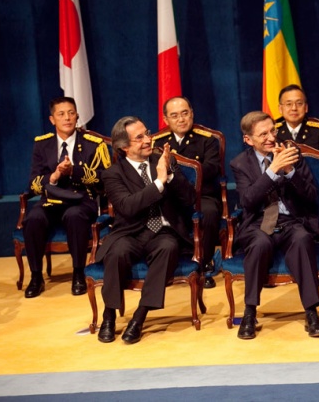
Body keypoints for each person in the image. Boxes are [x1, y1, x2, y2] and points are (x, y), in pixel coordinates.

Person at [95, 116, 196, 344]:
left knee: (169, 247)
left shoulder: (163, 161)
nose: (148, 140)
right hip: (130, 231)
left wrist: (169, 174)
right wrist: (159, 183)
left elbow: (189, 199)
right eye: (139, 137)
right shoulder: (113, 174)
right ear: (124, 147)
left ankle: (139, 318)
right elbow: (128, 207)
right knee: (116, 253)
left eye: (147, 133)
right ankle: (109, 315)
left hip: (162, 231)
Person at [230, 110, 319, 340]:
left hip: (290, 220)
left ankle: (311, 313)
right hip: (258, 222)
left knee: (302, 239)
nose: (271, 137)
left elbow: (311, 196)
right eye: (263, 134)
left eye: (273, 130)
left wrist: (289, 171)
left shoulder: (292, 154)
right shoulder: (240, 163)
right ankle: (250, 312)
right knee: (260, 243)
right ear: (248, 139)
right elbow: (248, 201)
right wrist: (273, 172)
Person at [22, 97, 111, 298]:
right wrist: (53, 176)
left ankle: (78, 273)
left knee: (74, 216)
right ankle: (36, 276)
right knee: (33, 219)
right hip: (50, 200)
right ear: (52, 119)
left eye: (71, 113)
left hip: (81, 200)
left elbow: (104, 180)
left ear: (77, 116)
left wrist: (74, 171)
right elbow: (33, 183)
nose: (67, 118)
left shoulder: (92, 144)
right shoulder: (42, 145)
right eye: (61, 114)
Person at [153, 96, 222, 289]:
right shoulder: (157, 143)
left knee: (208, 212)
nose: (181, 119)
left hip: (201, 195)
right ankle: (176, 261)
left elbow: (211, 169)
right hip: (170, 197)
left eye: (185, 113)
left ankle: (205, 264)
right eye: (174, 116)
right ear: (166, 119)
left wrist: (178, 172)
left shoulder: (207, 140)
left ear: (191, 114)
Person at [275, 84, 319, 155]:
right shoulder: (274, 133)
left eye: (299, 103)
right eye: (289, 104)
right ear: (280, 109)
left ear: (306, 108)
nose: (294, 108)